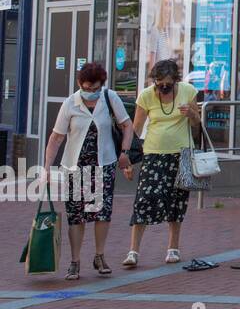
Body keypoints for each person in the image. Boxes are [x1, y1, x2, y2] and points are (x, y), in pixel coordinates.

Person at [43, 62, 133, 280]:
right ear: (79, 84)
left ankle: (99, 256)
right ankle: (75, 261)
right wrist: (46, 168)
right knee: (77, 215)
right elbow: (56, 138)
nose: (91, 92)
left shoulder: (109, 98)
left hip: (104, 164)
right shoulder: (70, 104)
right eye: (87, 88)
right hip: (76, 167)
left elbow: (127, 125)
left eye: (96, 88)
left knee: (102, 213)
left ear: (102, 85)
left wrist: (125, 152)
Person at [121, 59, 202, 267]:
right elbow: (136, 129)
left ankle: (173, 248)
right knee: (144, 199)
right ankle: (133, 251)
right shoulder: (147, 95)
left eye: (167, 82)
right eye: (159, 82)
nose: (163, 86)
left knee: (176, 201)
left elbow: (197, 124)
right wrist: (127, 157)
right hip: (154, 153)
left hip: (181, 153)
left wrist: (191, 113)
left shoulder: (188, 91)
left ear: (176, 80)